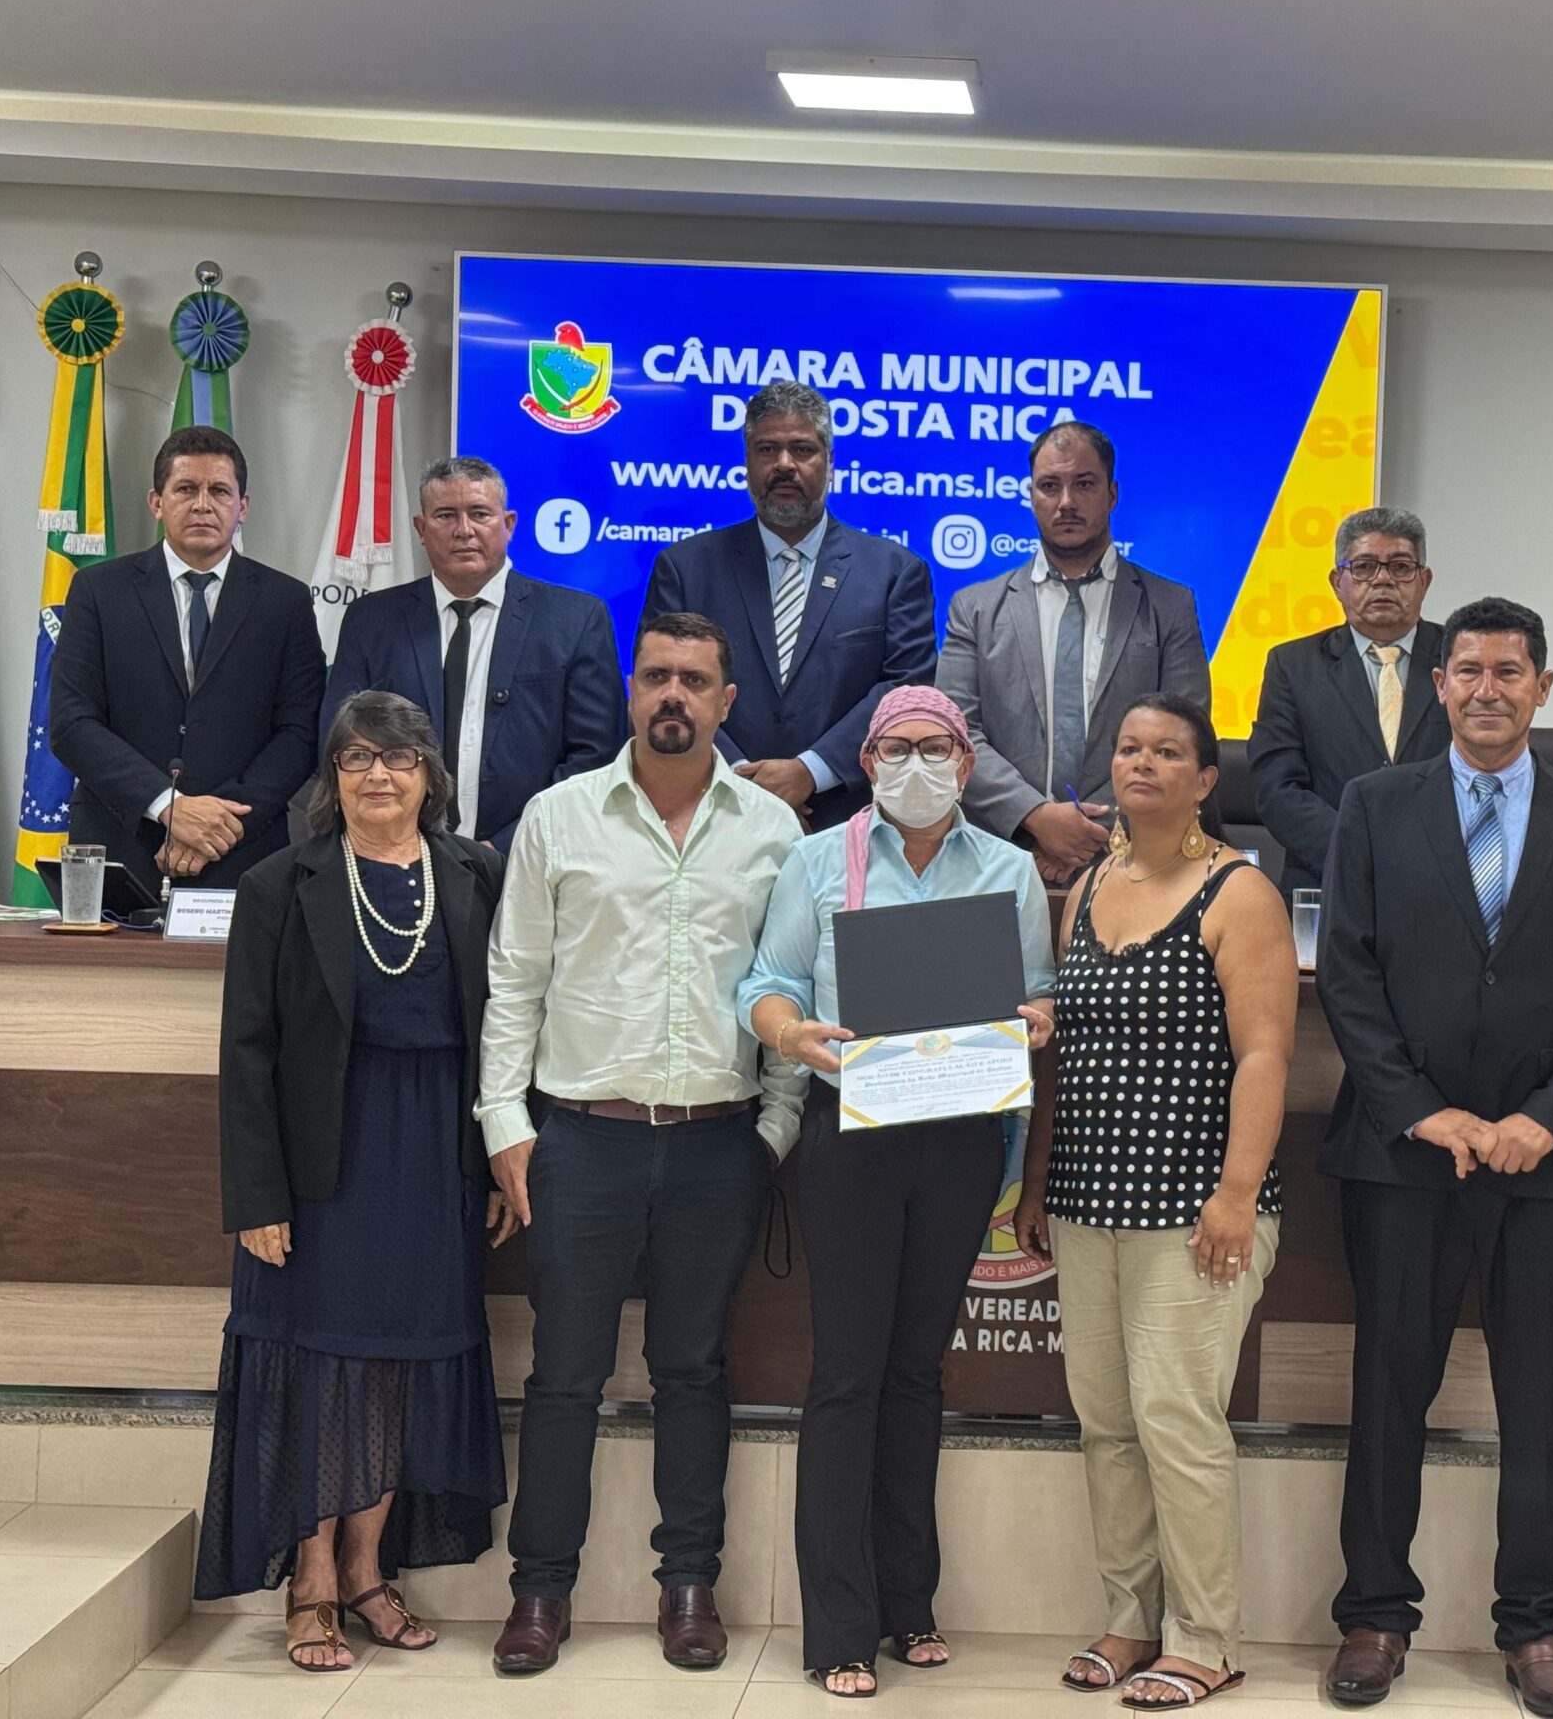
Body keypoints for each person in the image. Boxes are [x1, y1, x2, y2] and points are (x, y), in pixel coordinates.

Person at [1315, 599, 1553, 1719]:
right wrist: (1423, 1113)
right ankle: (1374, 1616)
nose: (1488, 689)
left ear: (1543, 687)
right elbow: (1348, 978)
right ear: (1439, 685)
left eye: (1510, 671)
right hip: (1403, 1155)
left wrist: (1547, 1118)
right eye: (1468, 670)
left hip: (1547, 1163)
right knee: (1387, 1389)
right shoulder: (1375, 805)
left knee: (1540, 1397)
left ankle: (1540, 1627)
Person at [478, 612, 805, 1675]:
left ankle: (689, 1586)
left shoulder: (772, 831)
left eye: (694, 681)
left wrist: (776, 1124)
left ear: (725, 701)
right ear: (631, 692)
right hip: (581, 1140)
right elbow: (515, 980)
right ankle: (539, 1593)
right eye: (656, 675)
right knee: (564, 1374)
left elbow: (792, 986)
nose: (673, 694)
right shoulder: (559, 815)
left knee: (693, 1371)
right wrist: (505, 1122)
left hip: (717, 1142)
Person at [741, 685, 1059, 1698]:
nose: (915, 765)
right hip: (853, 1132)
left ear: (966, 764)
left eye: (935, 748)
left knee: (918, 1372)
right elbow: (764, 984)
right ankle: (838, 1627)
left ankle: (907, 1603)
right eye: (895, 748)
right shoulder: (815, 860)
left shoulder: (1008, 868)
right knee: (847, 1373)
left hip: (961, 1135)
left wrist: (1038, 1018)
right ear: (867, 761)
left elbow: (1037, 992)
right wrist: (792, 1033)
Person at [198, 690, 511, 1671]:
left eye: (400, 757)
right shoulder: (278, 884)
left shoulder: (476, 873)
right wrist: (256, 1197)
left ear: (430, 775)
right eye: (358, 757)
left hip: (437, 1154)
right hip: (321, 1163)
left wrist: (496, 1158)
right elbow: (246, 1051)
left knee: (402, 1367)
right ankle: (312, 1578)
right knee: (318, 1367)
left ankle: (369, 1570)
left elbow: (505, 1028)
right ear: (332, 778)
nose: (380, 774)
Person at [1013, 691, 1298, 1711]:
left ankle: (1205, 1640)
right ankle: (1131, 1620)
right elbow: (1068, 1053)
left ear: (1206, 779)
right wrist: (1038, 1178)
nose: (1143, 763)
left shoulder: (1239, 893)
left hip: (1195, 1207)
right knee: (1106, 1420)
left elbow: (1264, 1056)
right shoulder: (1088, 881)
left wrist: (1236, 1195)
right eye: (1130, 749)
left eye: (1168, 751)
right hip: (1085, 1198)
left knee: (1177, 1419)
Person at [644, 379, 937, 828]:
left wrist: (810, 771)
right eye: (767, 450)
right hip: (711, 813)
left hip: (847, 821)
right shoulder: (685, 568)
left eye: (802, 450)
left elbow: (904, 690)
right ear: (747, 461)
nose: (784, 465)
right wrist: (740, 779)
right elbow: (662, 683)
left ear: (830, 462)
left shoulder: (895, 572)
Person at [49, 425, 324, 888]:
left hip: (244, 852)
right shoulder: (99, 591)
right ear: (156, 502)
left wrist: (219, 826)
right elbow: (71, 723)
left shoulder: (286, 601)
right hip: (121, 843)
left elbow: (299, 733)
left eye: (219, 491)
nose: (202, 504)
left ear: (243, 506)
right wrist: (168, 806)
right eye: (185, 489)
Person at [938, 422, 1211, 882]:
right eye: (1050, 486)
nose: (1066, 502)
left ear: (1112, 494)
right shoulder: (975, 608)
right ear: (1031, 496)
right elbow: (956, 734)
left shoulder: (1170, 606)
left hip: (1136, 861)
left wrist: (1089, 831)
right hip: (999, 858)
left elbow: (1184, 735)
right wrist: (1036, 817)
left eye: (1084, 484)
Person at [322, 456, 625, 856]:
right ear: (421, 529)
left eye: (480, 514)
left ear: (509, 524)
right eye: (446, 515)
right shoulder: (371, 620)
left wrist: (503, 848)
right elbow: (340, 744)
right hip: (395, 856)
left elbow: (595, 759)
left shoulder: (577, 619)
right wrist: (404, 847)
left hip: (530, 859)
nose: (464, 530)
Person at [1246, 507, 1448, 893]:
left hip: (1441, 884)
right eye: (1365, 567)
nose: (1383, 579)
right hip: (1327, 882)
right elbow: (1277, 788)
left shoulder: (1462, 661)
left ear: (1423, 581)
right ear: (1337, 582)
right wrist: (1360, 852)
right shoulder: (1293, 665)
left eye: (1401, 567)